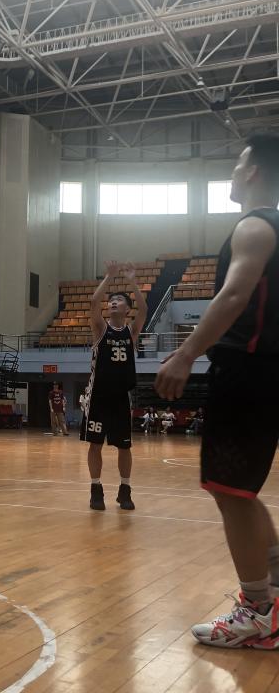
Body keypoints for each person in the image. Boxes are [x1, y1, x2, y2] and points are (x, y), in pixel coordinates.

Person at [156, 133, 279, 649]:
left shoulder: (255, 225)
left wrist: (186, 353)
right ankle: (273, 597)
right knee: (241, 492)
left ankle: (258, 612)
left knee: (230, 491)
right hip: (264, 375)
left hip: (247, 374)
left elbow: (234, 295)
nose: (232, 170)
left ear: (253, 171)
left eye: (237, 163)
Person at [84, 261, 147, 511]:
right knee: (95, 444)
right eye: (111, 300)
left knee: (124, 446)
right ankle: (95, 489)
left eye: (119, 300)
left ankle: (125, 490)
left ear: (127, 308)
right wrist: (109, 277)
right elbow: (93, 303)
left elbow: (144, 308)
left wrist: (132, 282)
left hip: (121, 396)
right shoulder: (101, 328)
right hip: (98, 395)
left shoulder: (131, 332)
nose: (113, 302)